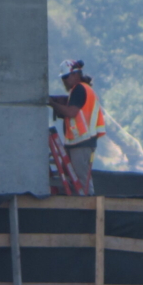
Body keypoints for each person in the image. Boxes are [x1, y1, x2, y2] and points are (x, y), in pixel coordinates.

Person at [49, 60, 106, 195]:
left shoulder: (80, 89)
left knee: (82, 179)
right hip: (76, 141)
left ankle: (87, 206)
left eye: (66, 77)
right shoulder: (78, 90)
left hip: (82, 142)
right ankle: (77, 202)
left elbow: (71, 112)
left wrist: (52, 103)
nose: (64, 81)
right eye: (63, 78)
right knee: (72, 177)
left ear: (76, 75)